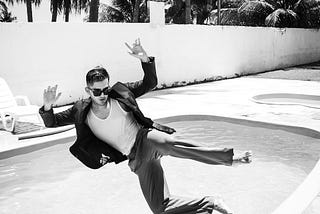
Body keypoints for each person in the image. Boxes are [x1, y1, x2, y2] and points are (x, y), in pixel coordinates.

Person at [39, 38, 252, 214]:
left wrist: (144, 59)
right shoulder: (80, 110)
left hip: (146, 139)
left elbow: (149, 83)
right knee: (160, 208)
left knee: (170, 144)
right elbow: (52, 122)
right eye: (97, 91)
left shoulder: (120, 93)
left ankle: (229, 158)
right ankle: (210, 202)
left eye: (105, 89)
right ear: (88, 90)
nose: (103, 95)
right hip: (136, 158)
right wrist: (48, 105)